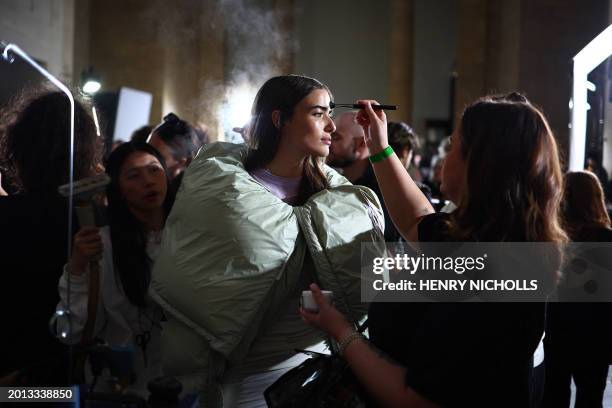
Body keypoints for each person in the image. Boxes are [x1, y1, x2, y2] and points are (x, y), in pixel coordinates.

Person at [302, 93, 567, 407]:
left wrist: (341, 331)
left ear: (479, 165)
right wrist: (379, 145)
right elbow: (418, 220)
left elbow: (417, 399)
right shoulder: (491, 235)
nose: (444, 157)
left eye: (454, 143)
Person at [149, 75, 384, 407]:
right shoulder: (227, 189)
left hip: (320, 371)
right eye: (318, 114)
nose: (331, 126)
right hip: (247, 377)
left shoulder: (338, 196)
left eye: (330, 113)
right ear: (280, 119)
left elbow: (373, 278)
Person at [0, 87, 102, 384]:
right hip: (68, 375)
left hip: (10, 376)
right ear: (85, 150)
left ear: (18, 148)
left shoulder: (7, 215)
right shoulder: (92, 221)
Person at [56, 142, 173, 395]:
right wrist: (77, 266)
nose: (149, 181)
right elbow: (75, 330)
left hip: (184, 384)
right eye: (134, 176)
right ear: (118, 189)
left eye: (154, 170)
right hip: (125, 387)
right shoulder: (104, 246)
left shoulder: (189, 236)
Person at [543, 171, 612, 408]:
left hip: (557, 328)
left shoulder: (553, 239)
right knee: (591, 396)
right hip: (597, 333)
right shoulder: (607, 240)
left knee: (552, 394)